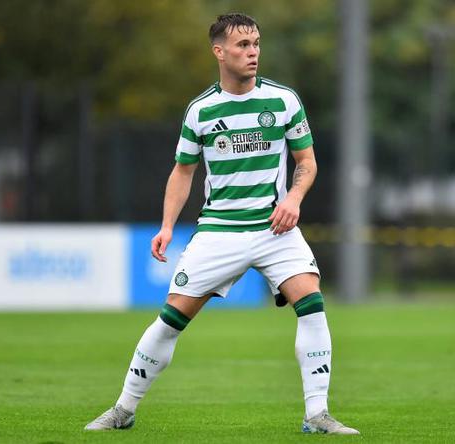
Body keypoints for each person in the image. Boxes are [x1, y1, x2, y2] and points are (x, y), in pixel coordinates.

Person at [85, 13, 359, 435]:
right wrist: (167, 226)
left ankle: (317, 414)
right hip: (218, 232)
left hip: (274, 229)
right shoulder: (201, 110)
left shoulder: (283, 101)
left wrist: (293, 198)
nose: (253, 53)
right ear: (219, 51)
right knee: (171, 319)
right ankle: (123, 409)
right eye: (243, 45)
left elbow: (306, 161)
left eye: (256, 44)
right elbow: (183, 171)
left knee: (311, 303)